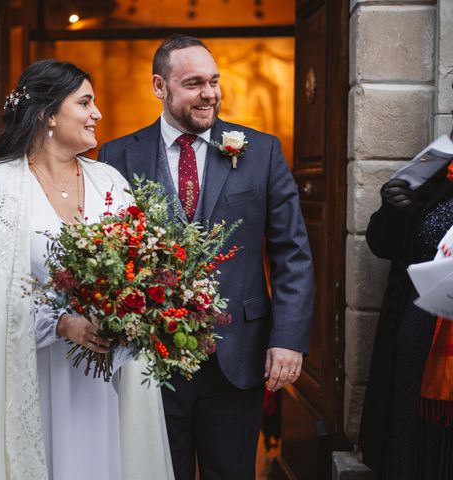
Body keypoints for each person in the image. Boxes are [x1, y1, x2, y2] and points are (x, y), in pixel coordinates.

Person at [0, 60, 174, 480]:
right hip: (30, 375)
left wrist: (128, 315)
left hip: (103, 378)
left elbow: (140, 270)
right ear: (47, 114)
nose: (97, 113)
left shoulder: (110, 182)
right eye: (84, 102)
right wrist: (61, 324)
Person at [98, 34, 314, 480]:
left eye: (214, 81)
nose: (210, 94)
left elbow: (291, 251)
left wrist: (288, 338)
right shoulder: (117, 155)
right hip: (149, 357)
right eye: (194, 83)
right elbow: (107, 253)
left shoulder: (262, 151)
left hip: (236, 356)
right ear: (160, 87)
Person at [359, 163, 453, 479]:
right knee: (410, 430)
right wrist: (391, 209)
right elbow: (381, 244)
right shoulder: (434, 175)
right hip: (421, 327)